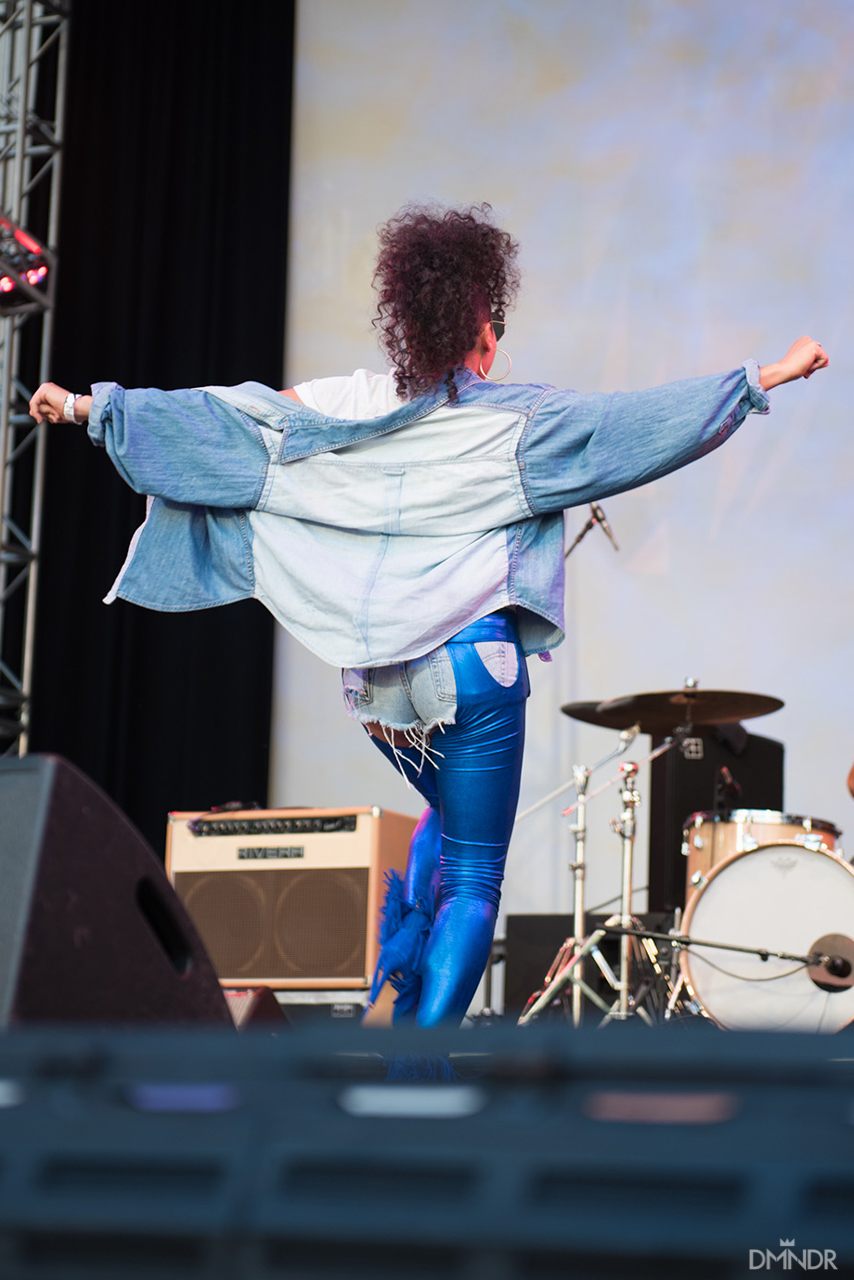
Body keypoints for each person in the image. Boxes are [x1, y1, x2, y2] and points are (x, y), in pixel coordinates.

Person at [29, 202, 828, 1027]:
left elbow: (229, 424)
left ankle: (396, 990)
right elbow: (638, 428)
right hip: (473, 673)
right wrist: (761, 378)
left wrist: (96, 409)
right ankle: (418, 1064)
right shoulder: (520, 423)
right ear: (483, 324)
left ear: (403, 322)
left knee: (443, 819)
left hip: (380, 692)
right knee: (476, 878)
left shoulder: (343, 402)